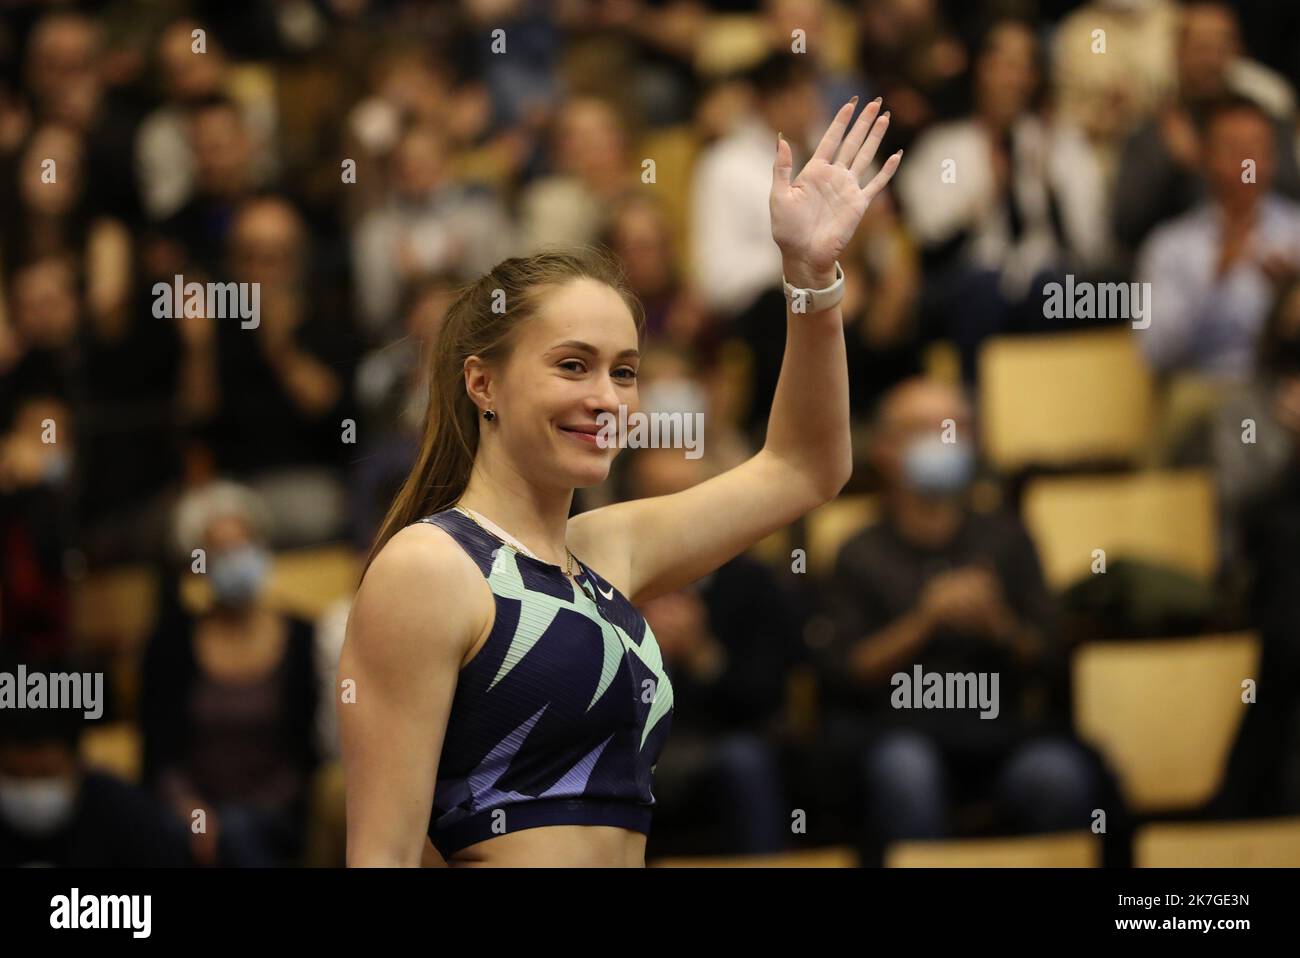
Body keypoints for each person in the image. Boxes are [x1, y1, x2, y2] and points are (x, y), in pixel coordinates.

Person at [339, 96, 904, 866]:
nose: (606, 397)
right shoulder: (429, 568)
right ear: (483, 385)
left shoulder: (607, 550)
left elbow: (806, 467)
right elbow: (382, 861)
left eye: (625, 372)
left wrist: (811, 281)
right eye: (573, 365)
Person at [820, 377, 1098, 853]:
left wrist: (998, 624)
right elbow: (842, 673)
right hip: (896, 734)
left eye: (956, 428)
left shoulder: (1007, 539)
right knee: (906, 771)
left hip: (1000, 736)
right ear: (885, 449)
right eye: (925, 429)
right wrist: (924, 621)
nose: (945, 441)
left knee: (1059, 776)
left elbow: (1050, 659)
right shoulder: (858, 553)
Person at [0, 690, 189, 867]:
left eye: (44, 774)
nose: (29, 787)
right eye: (14, 774)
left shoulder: (125, 814)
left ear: (78, 766)